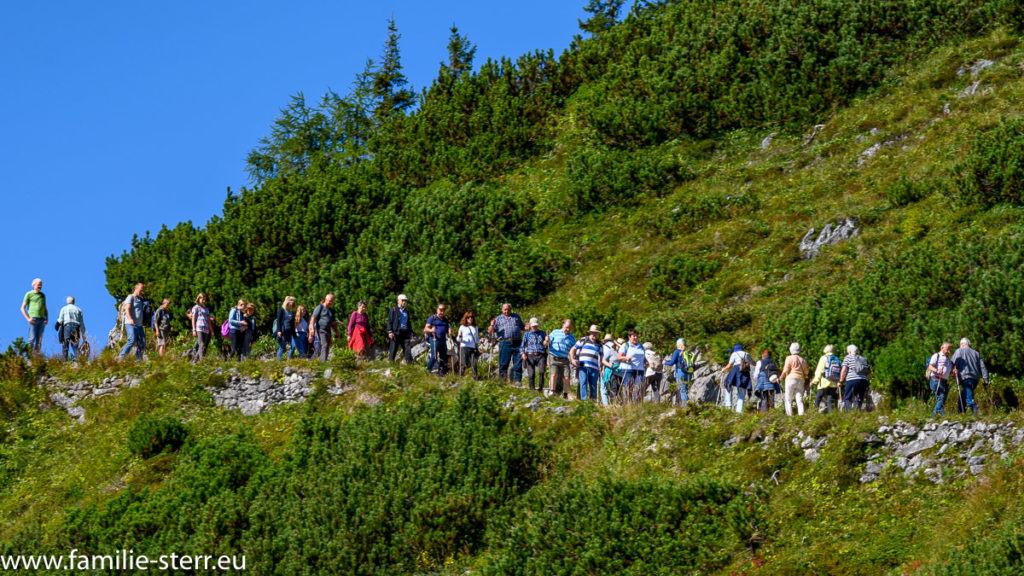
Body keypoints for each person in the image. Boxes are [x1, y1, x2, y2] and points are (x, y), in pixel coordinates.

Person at [489, 303, 526, 385]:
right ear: (502, 310)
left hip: (517, 341)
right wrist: (492, 324)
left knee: (518, 362)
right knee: (503, 362)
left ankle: (517, 381)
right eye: (505, 309)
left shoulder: (516, 316)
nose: (506, 311)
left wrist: (527, 327)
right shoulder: (498, 318)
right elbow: (491, 331)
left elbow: (522, 327)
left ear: (510, 309)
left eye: (508, 309)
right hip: (505, 342)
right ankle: (503, 381)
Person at [951, 338, 989, 415]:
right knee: (962, 399)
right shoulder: (976, 353)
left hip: (965, 377)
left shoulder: (959, 351)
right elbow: (983, 367)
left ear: (962, 344)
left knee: (968, 398)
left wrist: (950, 372)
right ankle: (961, 414)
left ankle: (976, 412)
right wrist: (986, 381)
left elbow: (952, 363)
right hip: (975, 379)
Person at [570, 325, 603, 401]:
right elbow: (573, 349)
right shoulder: (583, 340)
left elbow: (602, 356)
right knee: (583, 382)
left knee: (593, 385)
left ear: (598, 334)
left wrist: (601, 367)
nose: (594, 334)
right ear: (590, 332)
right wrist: (572, 359)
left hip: (594, 367)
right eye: (593, 332)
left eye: (596, 333)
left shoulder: (600, 344)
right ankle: (584, 401)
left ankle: (592, 402)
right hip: (582, 365)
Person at [545, 319, 575, 398]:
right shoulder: (555, 332)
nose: (567, 329)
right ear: (562, 326)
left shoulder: (572, 337)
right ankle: (552, 391)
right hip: (553, 356)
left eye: (569, 328)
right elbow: (546, 342)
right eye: (566, 327)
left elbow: (573, 349)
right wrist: (546, 340)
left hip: (564, 359)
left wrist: (573, 360)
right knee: (554, 374)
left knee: (566, 376)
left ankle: (565, 394)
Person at [720, 344, 753, 413]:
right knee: (742, 391)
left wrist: (724, 369)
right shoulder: (747, 354)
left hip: (735, 371)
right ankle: (739, 412)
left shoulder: (734, 354)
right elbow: (754, 363)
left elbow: (729, 365)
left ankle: (728, 407)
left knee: (728, 384)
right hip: (745, 373)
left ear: (735, 349)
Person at [779, 342, 810, 416]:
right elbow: (806, 373)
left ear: (791, 349)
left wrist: (780, 378)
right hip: (800, 380)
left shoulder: (789, 358)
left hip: (790, 379)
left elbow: (785, 370)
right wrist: (804, 380)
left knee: (788, 399)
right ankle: (801, 415)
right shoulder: (803, 360)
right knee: (799, 399)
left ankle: (789, 415)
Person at [118, 283, 147, 361]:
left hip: (139, 325)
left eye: (142, 290)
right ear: (136, 288)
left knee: (142, 342)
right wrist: (130, 319)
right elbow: (127, 308)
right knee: (132, 340)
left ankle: (139, 359)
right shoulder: (130, 297)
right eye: (141, 290)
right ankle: (121, 357)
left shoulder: (140, 300)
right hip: (130, 323)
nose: (142, 292)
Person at [617, 331, 647, 405]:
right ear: (629, 337)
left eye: (636, 336)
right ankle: (626, 405)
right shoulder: (625, 345)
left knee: (638, 388)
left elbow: (643, 357)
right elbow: (619, 357)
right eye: (633, 336)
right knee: (628, 387)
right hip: (628, 369)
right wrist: (627, 358)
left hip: (640, 370)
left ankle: (635, 405)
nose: (635, 338)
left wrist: (646, 362)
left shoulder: (641, 346)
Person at [810, 344, 842, 413]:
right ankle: (831, 415)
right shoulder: (837, 359)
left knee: (818, 398)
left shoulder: (823, 358)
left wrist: (814, 381)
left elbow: (819, 371)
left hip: (824, 382)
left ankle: (814, 414)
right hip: (833, 382)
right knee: (829, 399)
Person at [839, 344, 871, 411]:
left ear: (850, 351)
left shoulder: (848, 357)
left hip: (852, 379)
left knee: (848, 397)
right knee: (859, 397)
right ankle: (857, 412)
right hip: (864, 380)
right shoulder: (862, 358)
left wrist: (841, 381)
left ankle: (849, 413)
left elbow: (844, 370)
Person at [20, 278, 48, 354]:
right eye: (39, 285)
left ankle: (36, 357)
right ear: (34, 285)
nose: (40, 286)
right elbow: (22, 308)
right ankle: (29, 357)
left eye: (41, 285)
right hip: (33, 319)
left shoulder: (42, 295)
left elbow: (45, 309)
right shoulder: (29, 294)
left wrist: (46, 319)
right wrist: (28, 318)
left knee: (39, 340)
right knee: (31, 339)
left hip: (42, 319)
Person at [665, 338, 695, 407]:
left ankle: (686, 408)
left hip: (680, 372)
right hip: (689, 373)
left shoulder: (677, 352)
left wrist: (664, 362)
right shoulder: (688, 352)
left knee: (682, 390)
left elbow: (671, 363)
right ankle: (685, 405)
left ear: (677, 344)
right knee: (686, 390)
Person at [926, 342, 953, 417]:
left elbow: (948, 372)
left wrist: (952, 373)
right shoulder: (936, 355)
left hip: (944, 380)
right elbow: (930, 366)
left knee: (943, 399)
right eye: (947, 349)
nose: (949, 351)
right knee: (941, 397)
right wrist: (937, 370)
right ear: (942, 348)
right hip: (936, 379)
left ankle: (941, 416)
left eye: (950, 350)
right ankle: (933, 416)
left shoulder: (948, 359)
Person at [310, 294, 339, 362]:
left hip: (328, 330)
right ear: (326, 299)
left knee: (327, 346)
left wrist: (336, 331)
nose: (331, 302)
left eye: (332, 301)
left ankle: (321, 361)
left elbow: (333, 323)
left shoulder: (331, 310)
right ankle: (323, 363)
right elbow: (313, 319)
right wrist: (312, 329)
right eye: (329, 301)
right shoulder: (320, 307)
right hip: (320, 329)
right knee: (324, 345)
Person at [424, 304, 451, 376]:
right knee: (434, 356)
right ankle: (428, 369)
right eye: (440, 310)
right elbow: (426, 328)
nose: (441, 312)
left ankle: (441, 372)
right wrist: (431, 330)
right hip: (434, 340)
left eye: (443, 310)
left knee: (443, 356)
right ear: (437, 310)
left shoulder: (445, 320)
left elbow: (448, 326)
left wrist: (449, 330)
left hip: (443, 340)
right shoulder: (432, 318)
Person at [521, 318, 548, 391]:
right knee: (531, 374)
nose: (535, 327)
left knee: (542, 372)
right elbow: (522, 345)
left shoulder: (543, 333)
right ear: (530, 325)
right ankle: (532, 389)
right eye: (533, 326)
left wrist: (546, 342)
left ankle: (540, 388)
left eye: (536, 326)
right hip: (530, 355)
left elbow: (545, 344)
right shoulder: (527, 334)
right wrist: (523, 353)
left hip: (541, 354)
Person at [387, 294, 415, 364]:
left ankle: (410, 366)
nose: (404, 302)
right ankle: (391, 364)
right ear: (398, 301)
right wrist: (390, 331)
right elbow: (389, 321)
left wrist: (411, 332)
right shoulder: (393, 310)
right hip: (396, 333)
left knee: (407, 350)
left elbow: (408, 323)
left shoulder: (406, 311)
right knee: (393, 350)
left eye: (405, 301)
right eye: (402, 300)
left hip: (405, 333)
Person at [56, 296, 85, 361]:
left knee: (65, 345)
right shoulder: (79, 310)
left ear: (67, 301)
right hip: (76, 328)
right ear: (74, 301)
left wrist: (57, 325)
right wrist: (83, 333)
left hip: (67, 327)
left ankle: (65, 361)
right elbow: (82, 323)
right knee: (75, 345)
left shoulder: (64, 309)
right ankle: (79, 361)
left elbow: (60, 320)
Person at [189, 293, 212, 363]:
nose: (203, 300)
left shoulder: (206, 309)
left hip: (206, 329)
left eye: (205, 299)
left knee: (203, 346)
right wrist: (194, 330)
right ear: (198, 299)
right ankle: (202, 361)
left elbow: (208, 320)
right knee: (201, 344)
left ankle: (194, 361)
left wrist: (211, 330)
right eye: (202, 299)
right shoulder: (195, 308)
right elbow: (193, 319)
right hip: (199, 328)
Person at [457, 311, 481, 378]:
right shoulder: (462, 327)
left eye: (471, 317)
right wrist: (460, 337)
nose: (470, 319)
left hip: (472, 347)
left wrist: (481, 340)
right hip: (464, 347)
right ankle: (460, 377)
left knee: (474, 363)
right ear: (465, 318)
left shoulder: (475, 327)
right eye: (468, 317)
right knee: (463, 363)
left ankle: (475, 378)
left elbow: (476, 339)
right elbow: (458, 339)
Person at [276, 296, 299, 360]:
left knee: (293, 346)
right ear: (287, 303)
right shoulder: (281, 310)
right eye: (290, 304)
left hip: (290, 332)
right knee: (282, 347)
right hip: (283, 331)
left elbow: (292, 325)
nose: (291, 305)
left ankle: (288, 360)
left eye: (293, 304)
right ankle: (279, 362)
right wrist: (279, 331)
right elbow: (278, 321)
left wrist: (294, 334)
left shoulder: (291, 312)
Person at [599, 334, 619, 406]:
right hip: (616, 371)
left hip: (606, 369)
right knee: (614, 387)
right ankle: (612, 403)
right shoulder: (618, 350)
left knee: (604, 388)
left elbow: (602, 360)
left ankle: (605, 404)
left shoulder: (603, 347)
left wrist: (602, 369)